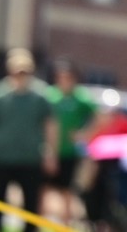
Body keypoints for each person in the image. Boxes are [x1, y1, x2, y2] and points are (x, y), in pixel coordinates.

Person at [0, 49, 57, 232]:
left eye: (25, 71)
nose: (21, 75)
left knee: (30, 206)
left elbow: (50, 126)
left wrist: (50, 154)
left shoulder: (40, 95)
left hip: (30, 159)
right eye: (17, 71)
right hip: (2, 157)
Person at [43, 59, 96, 224]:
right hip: (49, 150)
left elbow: (99, 117)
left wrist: (84, 133)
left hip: (69, 152)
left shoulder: (81, 98)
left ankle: (65, 224)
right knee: (44, 189)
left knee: (67, 190)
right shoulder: (50, 95)